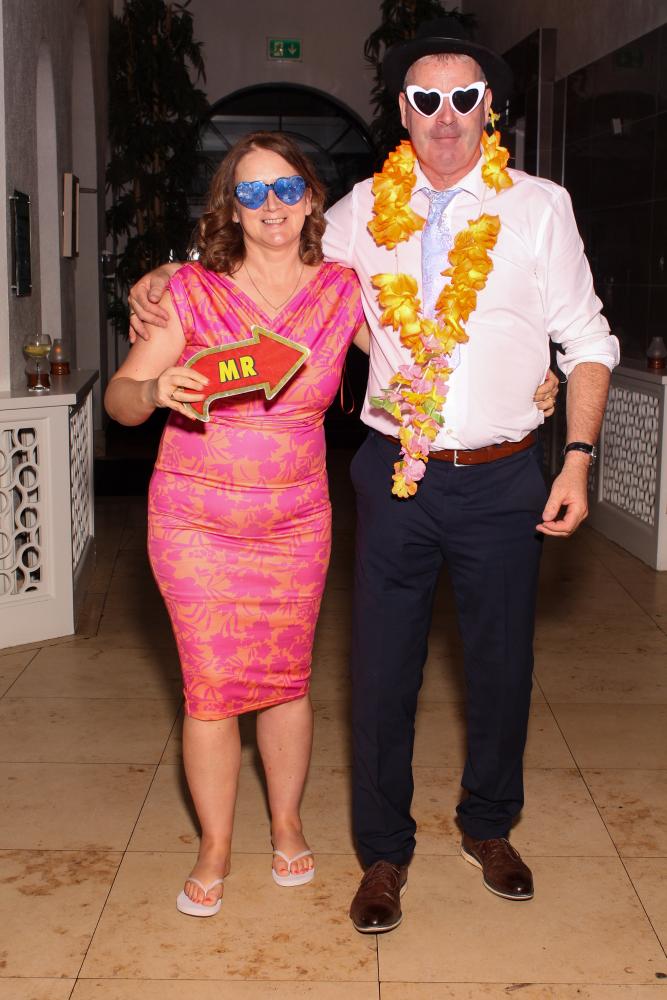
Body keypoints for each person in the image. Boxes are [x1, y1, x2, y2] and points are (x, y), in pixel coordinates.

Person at [126, 24, 586, 935]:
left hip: (470, 477)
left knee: (495, 667)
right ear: (402, 112)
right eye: (426, 98)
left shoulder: (530, 208)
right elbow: (248, 260)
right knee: (376, 671)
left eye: (463, 97)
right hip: (350, 484)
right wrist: (161, 276)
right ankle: (378, 852)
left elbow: (550, 332)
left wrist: (547, 387)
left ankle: (482, 827)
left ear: (488, 109)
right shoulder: (357, 214)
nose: (445, 115)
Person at [105, 131, 370, 916]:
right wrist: (154, 393)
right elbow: (120, 399)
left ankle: (286, 823)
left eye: (286, 188)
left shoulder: (345, 291)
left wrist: (526, 377)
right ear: (231, 208)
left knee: (287, 680)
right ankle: (215, 844)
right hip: (195, 520)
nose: (271, 206)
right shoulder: (189, 292)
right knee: (211, 687)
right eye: (251, 192)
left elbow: (419, 360)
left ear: (312, 199)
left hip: (296, 520)